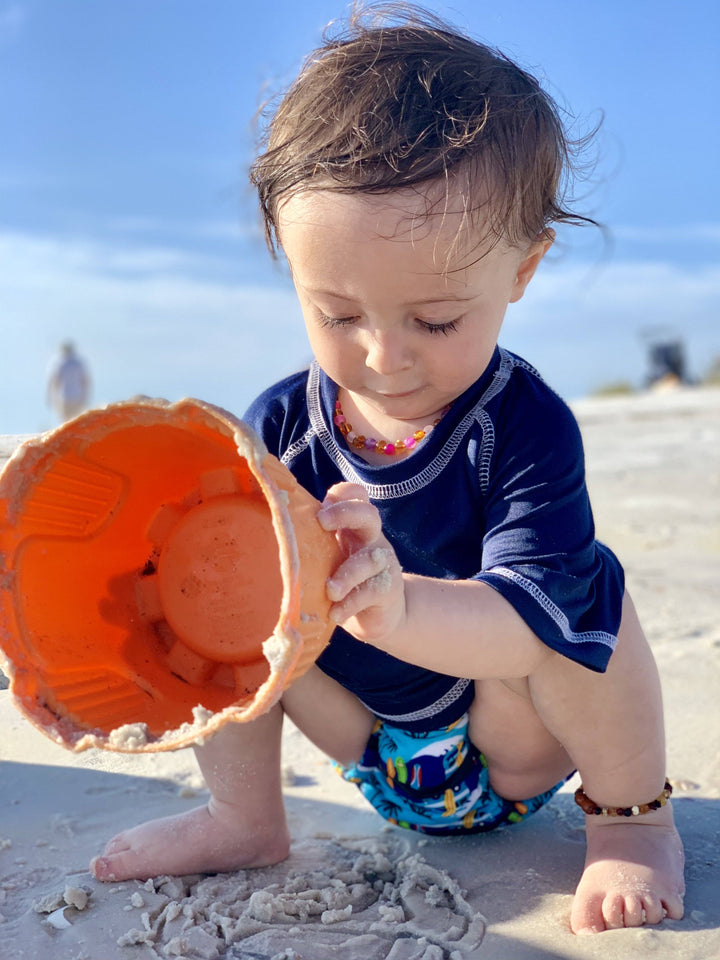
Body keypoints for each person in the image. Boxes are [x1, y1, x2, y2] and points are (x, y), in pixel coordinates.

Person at [89, 5, 685, 935]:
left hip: (507, 747)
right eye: (336, 313)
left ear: (524, 270)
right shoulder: (284, 424)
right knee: (224, 596)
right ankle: (244, 819)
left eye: (435, 320)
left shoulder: (522, 426)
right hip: (367, 744)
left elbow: (530, 626)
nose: (382, 357)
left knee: (589, 592)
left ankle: (633, 822)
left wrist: (403, 609)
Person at [46, 341, 91, 422]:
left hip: (65, 397)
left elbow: (54, 382)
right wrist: (85, 397)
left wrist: (52, 398)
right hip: (78, 396)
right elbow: (85, 381)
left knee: (65, 422)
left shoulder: (60, 363)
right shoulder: (79, 363)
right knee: (78, 422)